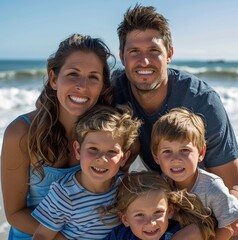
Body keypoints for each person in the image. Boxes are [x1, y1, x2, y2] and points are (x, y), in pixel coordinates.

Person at [111, 4, 238, 189]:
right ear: (122, 57)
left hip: (204, 201)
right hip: (160, 198)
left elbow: (234, 188)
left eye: (154, 51)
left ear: (169, 54)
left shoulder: (202, 101)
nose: (144, 61)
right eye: (134, 51)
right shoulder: (114, 93)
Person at [1, 33, 115, 239]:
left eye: (93, 77)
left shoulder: (109, 137)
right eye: (73, 74)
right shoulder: (20, 133)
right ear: (54, 79)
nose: (83, 85)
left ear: (102, 86)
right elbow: (14, 214)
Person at [31, 104, 142, 239]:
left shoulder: (124, 186)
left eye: (111, 152)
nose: (101, 159)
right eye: (93, 149)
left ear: (124, 158)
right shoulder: (64, 194)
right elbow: (41, 236)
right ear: (78, 150)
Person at [151, 107, 238, 239]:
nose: (176, 159)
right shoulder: (161, 185)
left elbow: (233, 225)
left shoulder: (212, 186)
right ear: (156, 156)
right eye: (167, 151)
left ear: (201, 152)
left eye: (184, 150)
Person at [104, 170, 216, 240]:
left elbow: (199, 230)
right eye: (140, 215)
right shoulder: (120, 236)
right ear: (125, 219)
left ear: (169, 211)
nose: (151, 223)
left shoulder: (176, 232)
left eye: (157, 212)